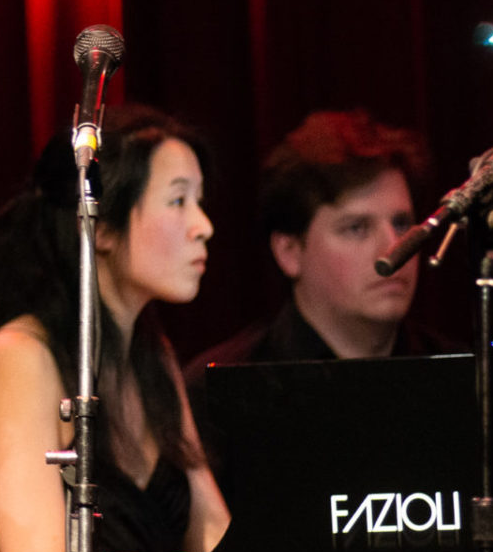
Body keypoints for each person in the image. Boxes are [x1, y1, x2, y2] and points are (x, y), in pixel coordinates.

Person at [0, 106, 231, 552]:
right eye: (178, 200)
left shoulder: (152, 357)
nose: (204, 225)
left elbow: (214, 534)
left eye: (200, 201)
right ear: (105, 228)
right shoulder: (17, 358)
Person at [182, 109, 452, 497]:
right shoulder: (220, 393)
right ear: (289, 251)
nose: (394, 248)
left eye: (402, 223)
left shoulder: (460, 376)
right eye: (357, 228)